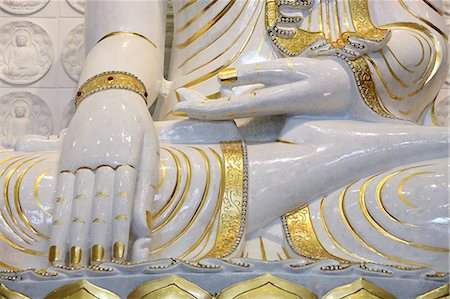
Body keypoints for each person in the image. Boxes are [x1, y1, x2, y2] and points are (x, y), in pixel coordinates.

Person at [0, 0, 448, 271]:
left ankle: (338, 155)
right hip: (194, 137)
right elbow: (126, 34)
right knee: (18, 193)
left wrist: (338, 81)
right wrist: (111, 101)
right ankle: (328, 163)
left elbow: (422, 41)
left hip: (340, 120)